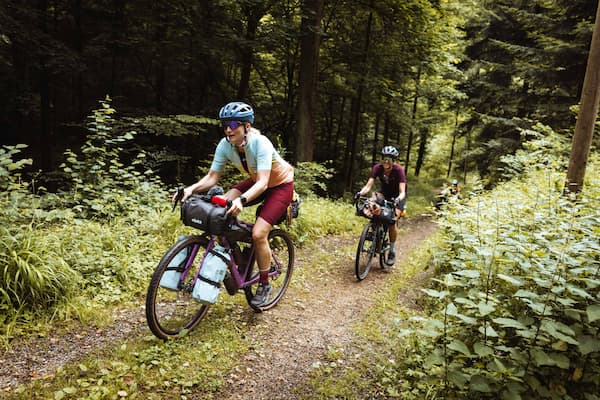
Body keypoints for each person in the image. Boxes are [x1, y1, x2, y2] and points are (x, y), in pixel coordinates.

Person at [174, 101, 294, 307]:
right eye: (225, 124)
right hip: (257, 181)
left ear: (246, 126)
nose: (228, 129)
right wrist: (191, 189)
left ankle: (264, 283)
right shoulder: (225, 145)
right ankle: (241, 258)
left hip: (279, 186)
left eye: (232, 124)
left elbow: (265, 182)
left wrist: (242, 200)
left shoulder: (261, 143)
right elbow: (212, 177)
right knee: (220, 211)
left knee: (258, 234)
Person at [356, 145, 407, 266]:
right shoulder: (377, 168)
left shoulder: (399, 170)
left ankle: (392, 251)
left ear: (394, 160)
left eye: (389, 159)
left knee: (392, 222)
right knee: (372, 201)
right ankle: (375, 234)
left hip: (397, 197)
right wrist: (360, 193)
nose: (386, 161)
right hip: (384, 193)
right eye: (384, 158)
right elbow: (369, 185)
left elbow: (402, 191)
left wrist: (398, 200)